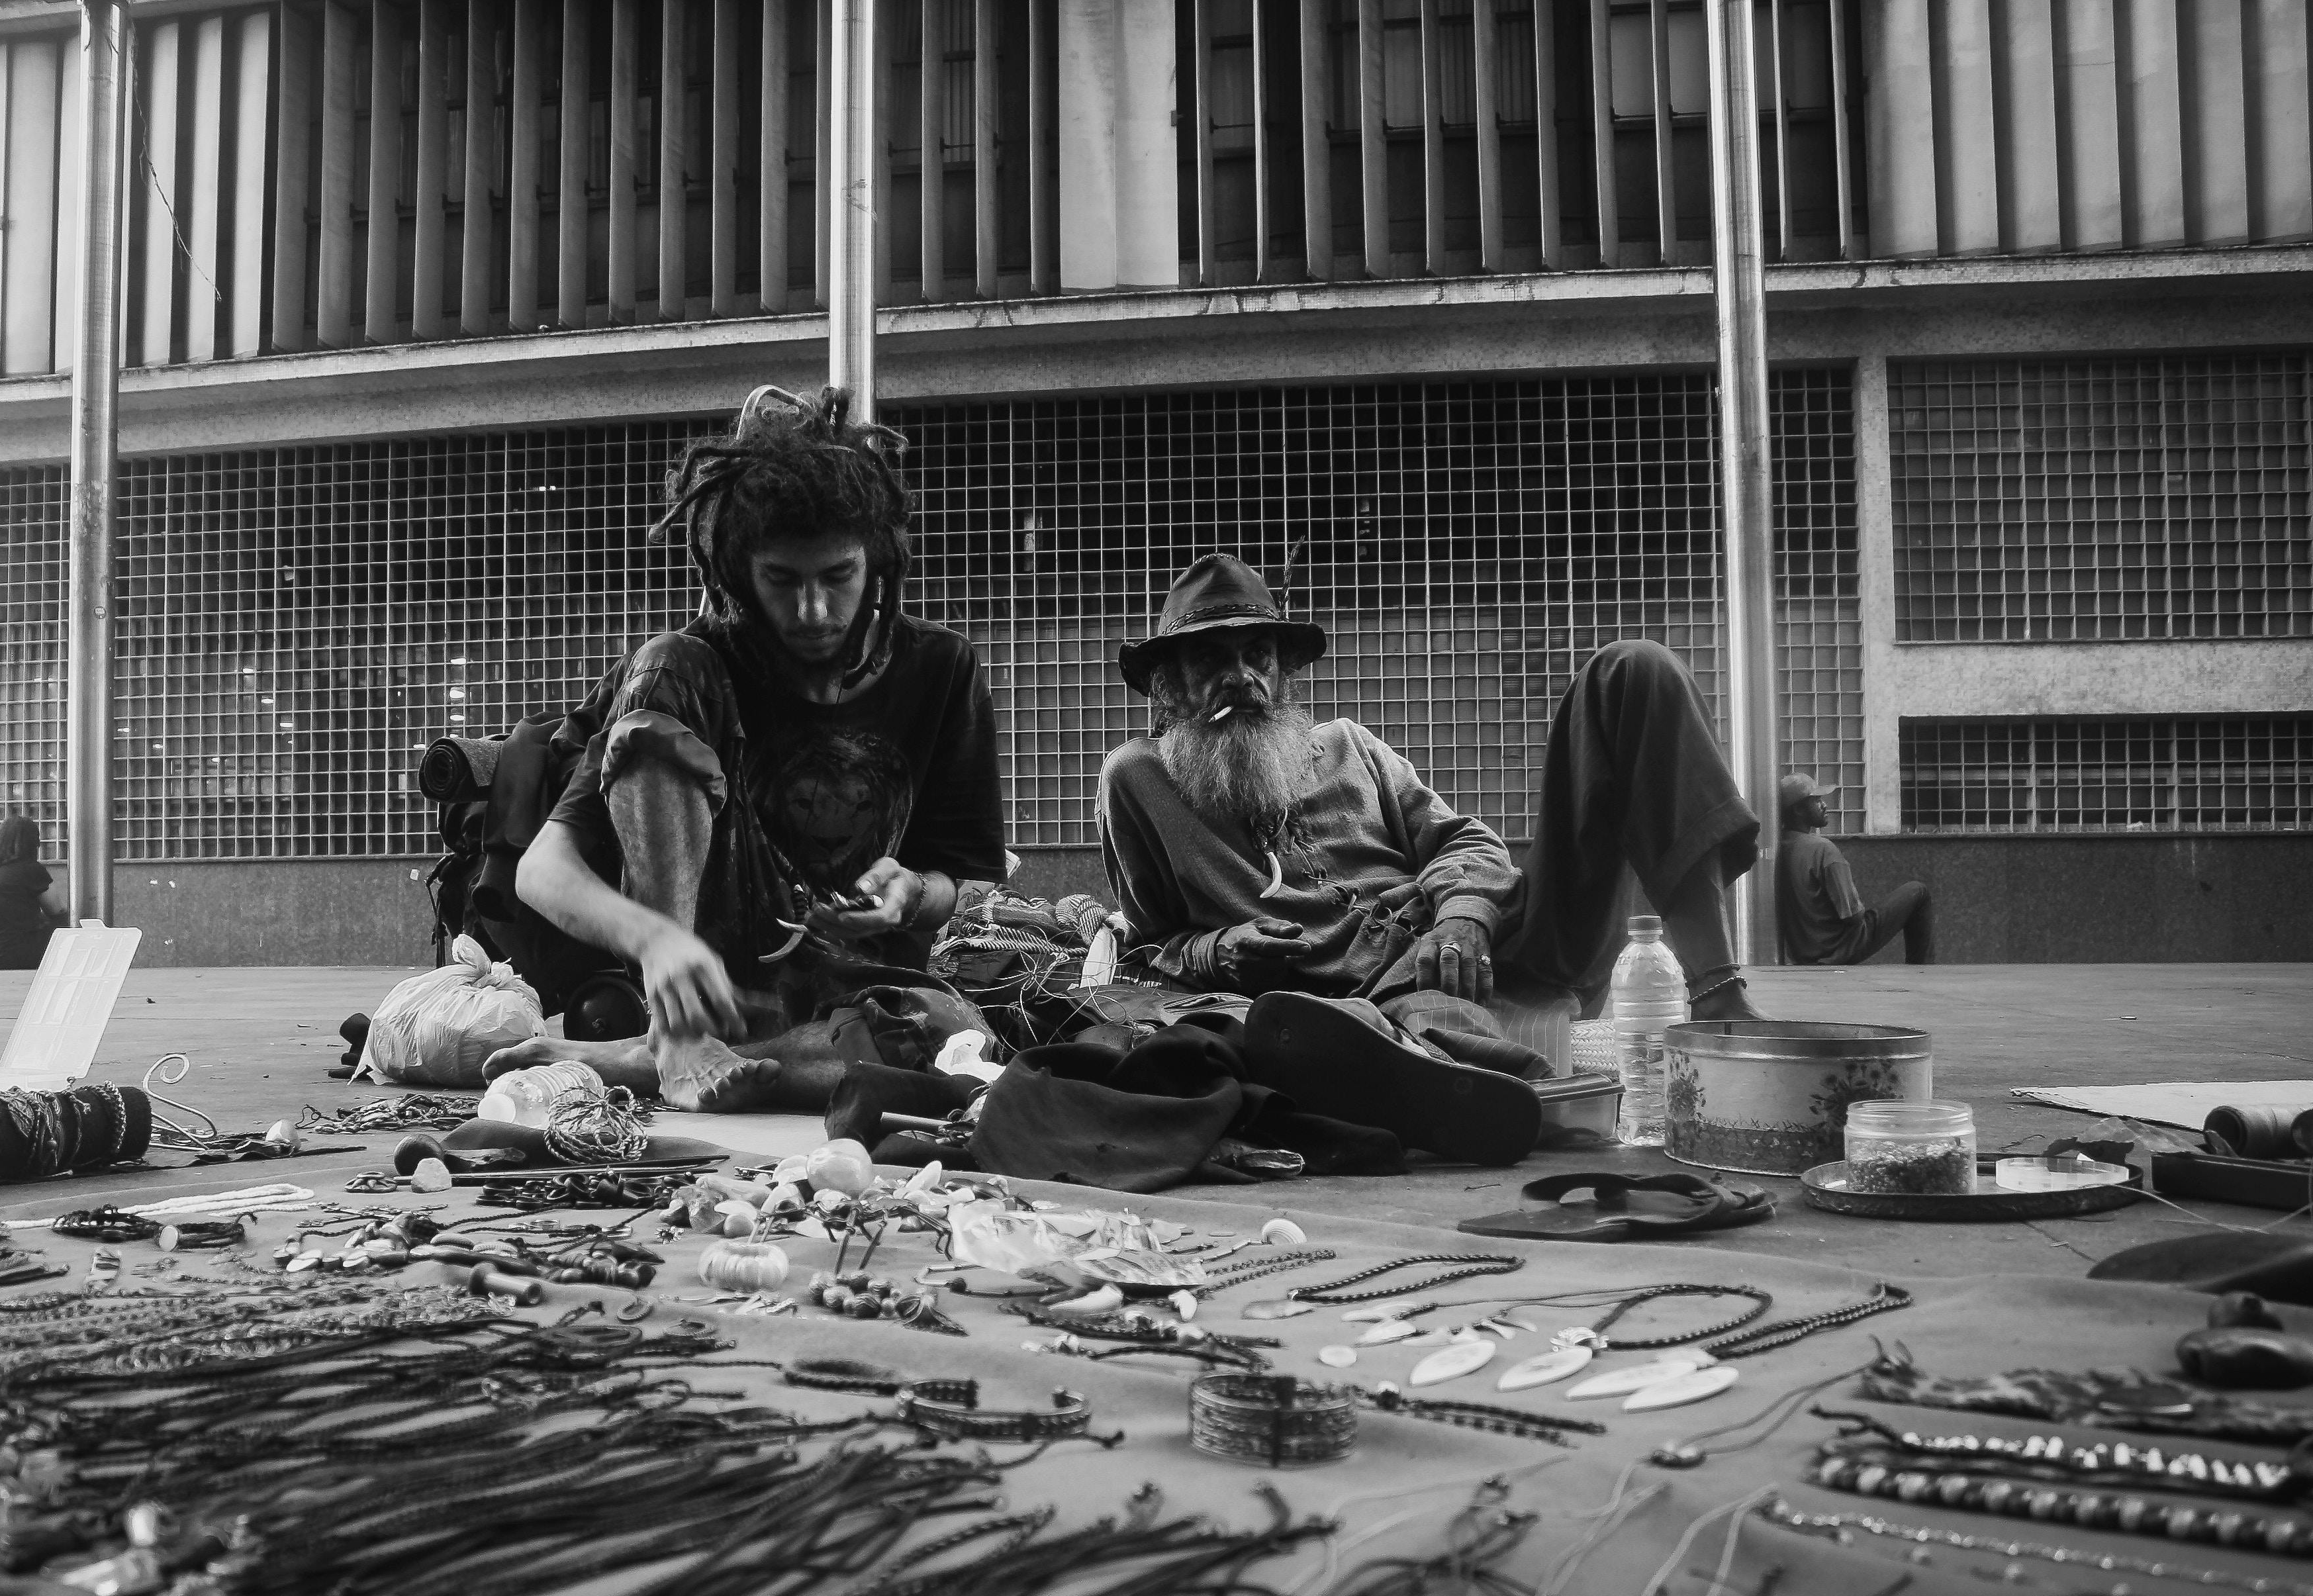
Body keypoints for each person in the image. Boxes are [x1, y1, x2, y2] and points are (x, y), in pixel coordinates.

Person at [1097, 553, 1770, 1156]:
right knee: (1417, 1032)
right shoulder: (1138, 779)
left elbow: (1470, 843)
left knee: (1635, 669)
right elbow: (1158, 945)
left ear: (1284, 671)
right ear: (1168, 686)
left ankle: (1717, 996)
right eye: (1214, 659)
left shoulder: (1349, 746)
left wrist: (1462, 915)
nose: (1241, 677)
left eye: (1258, 656)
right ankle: (1507, 1088)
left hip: (1508, 940)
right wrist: (1225, 946)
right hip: (1372, 1000)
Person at [482, 387, 1008, 1112]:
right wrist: (659, 942)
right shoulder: (692, 669)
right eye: (783, 581)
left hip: (845, 998)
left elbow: (971, 882)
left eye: (839, 577)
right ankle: (677, 1041)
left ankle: (631, 1063)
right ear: (738, 571)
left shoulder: (943, 669)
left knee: (949, 1042)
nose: (815, 611)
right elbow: (542, 872)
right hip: (708, 987)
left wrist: (913, 894)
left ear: (878, 563)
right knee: (666, 660)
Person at [1777, 772, 1933, 966]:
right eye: (1817, 800)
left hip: (1802, 954)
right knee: (1918, 891)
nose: (1825, 805)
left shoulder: (1778, 847)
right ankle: (1923, 969)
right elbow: (1853, 916)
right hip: (1839, 949)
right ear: (1799, 810)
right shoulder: (1823, 849)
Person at [0, 814, 69, 970]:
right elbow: (57, 910)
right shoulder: (30, 869)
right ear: (34, 843)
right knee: (60, 922)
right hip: (15, 956)